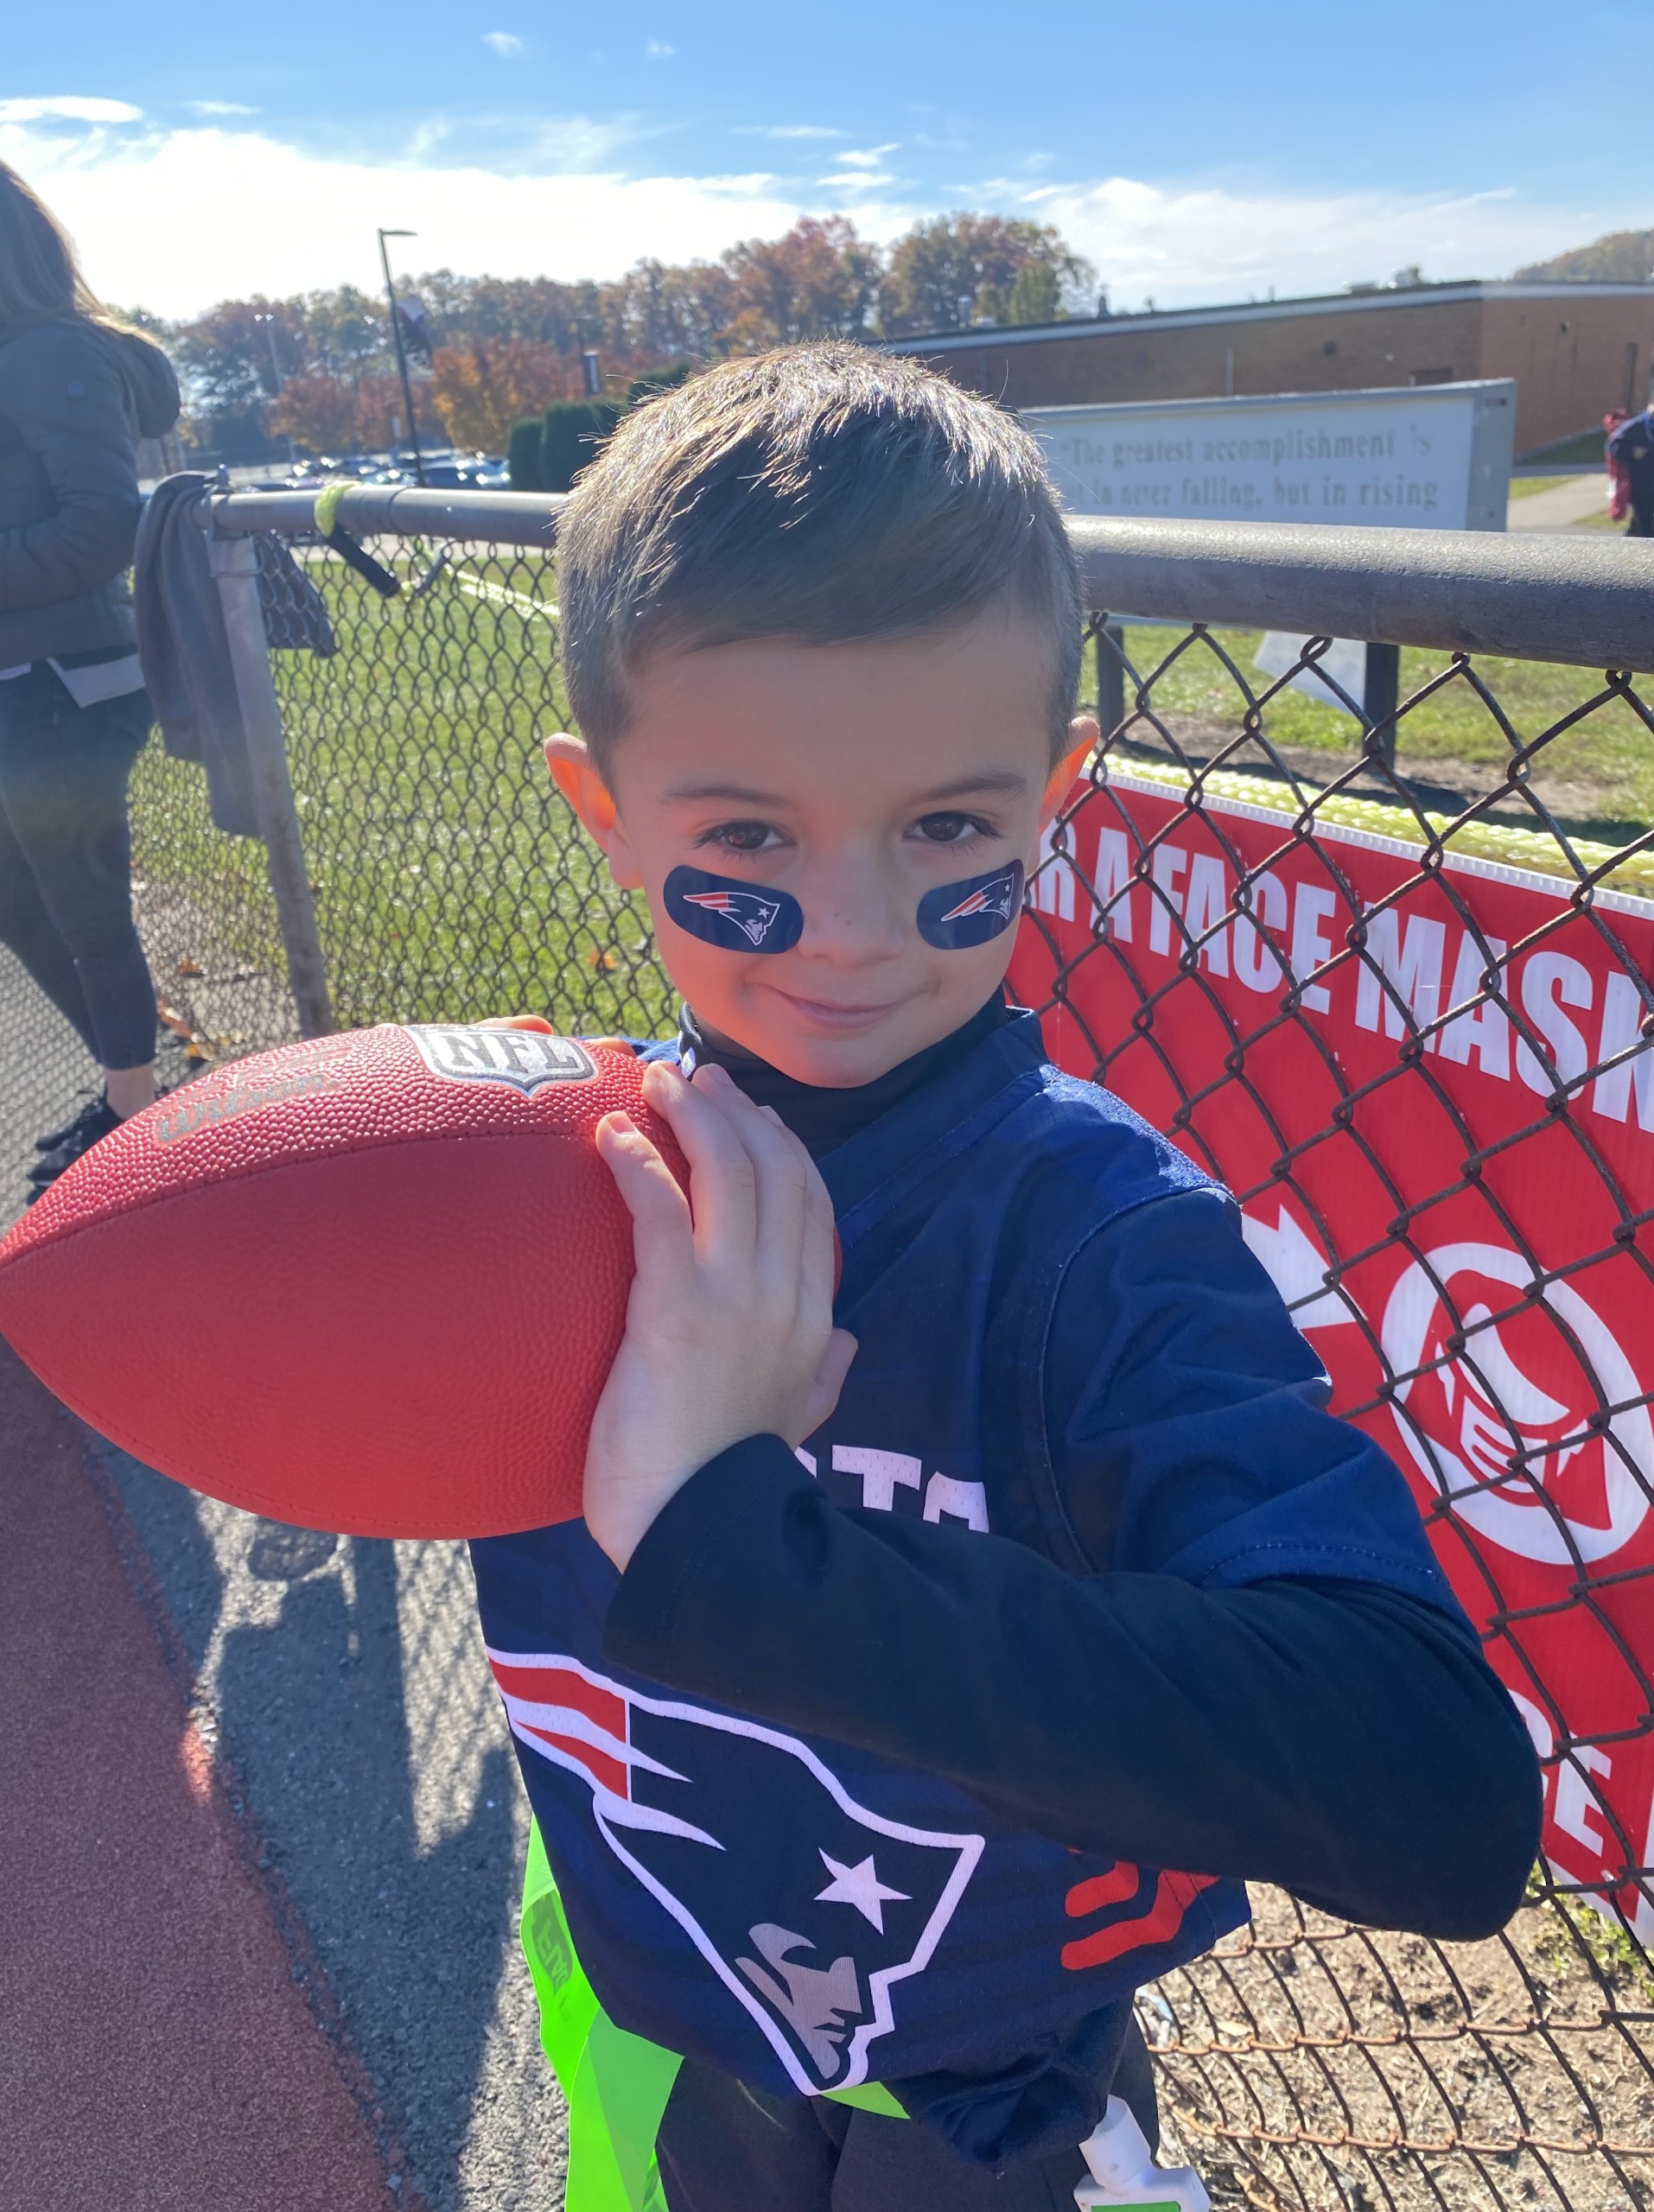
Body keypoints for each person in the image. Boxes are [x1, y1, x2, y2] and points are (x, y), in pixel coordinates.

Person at [469, 346, 1540, 2211]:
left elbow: (1438, 1796)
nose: (857, 934)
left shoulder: (1094, 1239)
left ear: (1057, 794)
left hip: (982, 2079)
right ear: (602, 809)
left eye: (950, 830)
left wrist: (740, 1546)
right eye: (744, 842)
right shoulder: (529, 1177)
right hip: (667, 2002)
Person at [0, 160, 179, 1192]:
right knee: (13, 896)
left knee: (78, 896)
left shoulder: (48, 355)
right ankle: (133, 1089)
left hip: (73, 680)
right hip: (18, 675)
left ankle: (137, 1113)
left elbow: (101, 526)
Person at [1607, 401, 1654, 536]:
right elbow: (1613, 447)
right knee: (1644, 515)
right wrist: (1632, 452)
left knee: (1641, 518)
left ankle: (1632, 536)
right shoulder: (1634, 426)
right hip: (1639, 480)